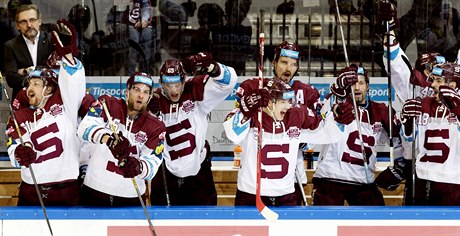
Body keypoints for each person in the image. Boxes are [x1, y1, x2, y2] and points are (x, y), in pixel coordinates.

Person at [224, 77, 353, 206]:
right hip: (251, 195)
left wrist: (339, 119)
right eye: (283, 102)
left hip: (286, 196)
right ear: (269, 102)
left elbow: (327, 133)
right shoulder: (252, 116)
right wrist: (246, 111)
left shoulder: (296, 115)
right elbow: (232, 135)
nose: (288, 105)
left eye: (289, 101)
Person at [6, 19, 85, 206]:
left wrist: (67, 55)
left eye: (35, 83)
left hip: (66, 189)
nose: (28, 88)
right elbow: (13, 147)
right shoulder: (20, 115)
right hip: (31, 190)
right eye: (28, 84)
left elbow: (74, 83)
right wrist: (18, 154)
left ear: (49, 89)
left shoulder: (67, 106)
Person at [236, 41, 321, 205]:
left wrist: (302, 140)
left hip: (292, 176)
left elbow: (318, 127)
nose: (288, 68)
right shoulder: (254, 87)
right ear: (274, 63)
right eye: (283, 62)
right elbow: (237, 124)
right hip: (257, 180)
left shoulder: (308, 92)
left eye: (293, 64)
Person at [148, 52, 237, 205]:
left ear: (183, 81)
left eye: (177, 84)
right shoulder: (153, 101)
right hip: (165, 174)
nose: (174, 90)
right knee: (164, 223)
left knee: (206, 221)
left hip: (199, 175)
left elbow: (229, 81)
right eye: (169, 85)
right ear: (162, 83)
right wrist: (150, 113)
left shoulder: (194, 89)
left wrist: (210, 66)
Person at [312, 64, 404, 206]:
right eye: (352, 84)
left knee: (377, 221)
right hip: (330, 177)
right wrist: (338, 90)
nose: (356, 88)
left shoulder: (382, 111)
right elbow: (323, 113)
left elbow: (400, 138)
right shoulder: (336, 102)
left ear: (367, 86)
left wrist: (400, 165)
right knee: (325, 224)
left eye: (361, 83)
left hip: (363, 180)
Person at [76, 72, 165, 206]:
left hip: (130, 197)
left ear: (149, 97)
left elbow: (153, 164)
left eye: (146, 92)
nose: (141, 95)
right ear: (127, 91)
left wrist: (138, 167)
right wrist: (108, 139)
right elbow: (84, 128)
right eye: (137, 89)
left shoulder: (156, 126)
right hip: (94, 190)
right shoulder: (107, 104)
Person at [396, 62, 460, 205]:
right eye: (433, 80)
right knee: (416, 225)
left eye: (438, 81)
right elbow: (408, 146)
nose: (432, 85)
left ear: (453, 85)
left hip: (452, 182)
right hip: (421, 179)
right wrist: (406, 122)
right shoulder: (422, 104)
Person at [3, 4, 54, 101]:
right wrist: (39, 78)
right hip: (23, 101)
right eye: (23, 22)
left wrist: (28, 70)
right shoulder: (10, 46)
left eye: (32, 20)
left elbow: (55, 71)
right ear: (17, 26)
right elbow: (11, 79)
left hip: (49, 101)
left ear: (39, 21)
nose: (29, 25)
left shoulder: (51, 40)